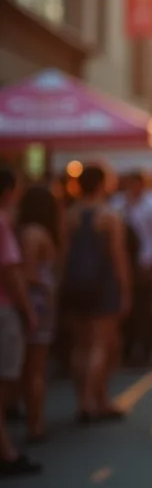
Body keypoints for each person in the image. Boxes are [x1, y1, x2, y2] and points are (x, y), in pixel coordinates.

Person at [61, 164, 131, 423]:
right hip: (103, 286)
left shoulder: (70, 214)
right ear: (103, 183)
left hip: (75, 286)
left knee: (80, 346)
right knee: (101, 345)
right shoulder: (109, 216)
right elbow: (118, 257)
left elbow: (63, 255)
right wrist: (125, 290)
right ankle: (91, 402)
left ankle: (89, 399)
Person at [0, 168, 37, 476]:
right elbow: (11, 272)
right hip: (3, 309)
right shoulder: (2, 223)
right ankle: (6, 452)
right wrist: (29, 311)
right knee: (6, 378)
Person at [16, 184, 59, 443]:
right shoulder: (36, 234)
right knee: (35, 368)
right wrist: (47, 288)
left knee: (28, 367)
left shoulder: (21, 230)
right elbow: (30, 273)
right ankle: (36, 424)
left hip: (29, 302)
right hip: (37, 304)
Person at [113, 171, 152, 366]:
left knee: (146, 309)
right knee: (128, 310)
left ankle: (146, 351)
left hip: (146, 263)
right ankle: (128, 351)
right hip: (126, 262)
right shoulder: (119, 203)